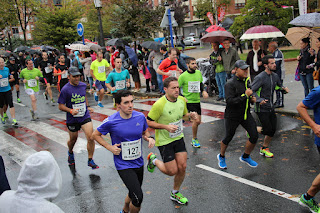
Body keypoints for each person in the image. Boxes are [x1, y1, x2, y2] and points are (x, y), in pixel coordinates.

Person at [92, 90, 155, 213]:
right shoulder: (111, 121)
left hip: (138, 162)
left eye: (132, 102)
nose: (130, 105)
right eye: (126, 103)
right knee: (138, 197)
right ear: (118, 105)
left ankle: (125, 209)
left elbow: (144, 132)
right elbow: (95, 135)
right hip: (123, 165)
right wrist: (110, 147)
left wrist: (149, 138)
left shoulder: (140, 117)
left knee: (133, 193)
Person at [146, 77, 197, 205]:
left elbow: (183, 116)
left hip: (178, 137)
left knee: (183, 167)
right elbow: (148, 121)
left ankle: (175, 193)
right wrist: (166, 127)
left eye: (177, 88)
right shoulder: (159, 104)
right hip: (164, 141)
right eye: (173, 88)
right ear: (165, 89)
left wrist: (190, 116)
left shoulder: (181, 100)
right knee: (172, 171)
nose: (176, 90)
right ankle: (153, 160)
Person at [217, 60, 259, 169]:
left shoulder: (247, 82)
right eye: (243, 69)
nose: (246, 71)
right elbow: (230, 101)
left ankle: (246, 156)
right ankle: (221, 156)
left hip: (245, 114)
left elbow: (248, 96)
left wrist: (251, 99)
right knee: (228, 137)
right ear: (236, 70)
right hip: (232, 116)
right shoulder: (230, 84)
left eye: (247, 69)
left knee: (254, 135)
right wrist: (245, 96)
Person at [58, 67, 99, 169]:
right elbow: (60, 106)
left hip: (84, 115)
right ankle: (70, 152)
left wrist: (88, 106)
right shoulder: (65, 89)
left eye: (78, 76)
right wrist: (71, 111)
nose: (77, 78)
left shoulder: (83, 85)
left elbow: (83, 96)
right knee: (73, 139)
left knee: (91, 137)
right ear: (69, 77)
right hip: (72, 118)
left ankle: (90, 159)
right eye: (74, 76)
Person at [251, 55, 289, 158]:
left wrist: (283, 89)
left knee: (272, 130)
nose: (274, 64)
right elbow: (251, 91)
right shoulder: (260, 77)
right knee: (267, 130)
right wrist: (259, 100)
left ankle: (264, 148)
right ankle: (251, 129)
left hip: (271, 107)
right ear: (265, 65)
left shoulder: (275, 76)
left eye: (274, 62)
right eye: (271, 63)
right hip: (261, 108)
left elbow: (277, 86)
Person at [297, 86, 320, 212]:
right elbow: (300, 107)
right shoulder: (318, 91)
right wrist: (314, 126)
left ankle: (307, 198)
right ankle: (307, 198)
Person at [178, 57, 208, 148]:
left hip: (197, 101)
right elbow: (176, 87)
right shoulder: (183, 76)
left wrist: (203, 91)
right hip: (189, 101)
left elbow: (200, 84)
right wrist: (182, 97)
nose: (195, 65)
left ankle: (183, 118)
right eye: (193, 64)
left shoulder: (198, 73)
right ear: (187, 65)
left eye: (195, 63)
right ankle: (194, 139)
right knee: (196, 120)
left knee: (198, 122)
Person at [0, 58, 18, 126]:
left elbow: (9, 75)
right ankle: (1, 116)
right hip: (0, 91)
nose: (1, 64)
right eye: (0, 62)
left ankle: (14, 119)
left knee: (11, 103)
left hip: (7, 89)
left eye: (2, 62)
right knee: (1, 105)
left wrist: (10, 76)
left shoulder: (6, 69)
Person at [268, 41, 286, 107]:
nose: (268, 49)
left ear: (272, 47)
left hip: (279, 73)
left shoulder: (278, 54)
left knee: (279, 87)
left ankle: (280, 102)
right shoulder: (274, 53)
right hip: (277, 74)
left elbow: (276, 65)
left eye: (269, 47)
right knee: (276, 88)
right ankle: (278, 100)